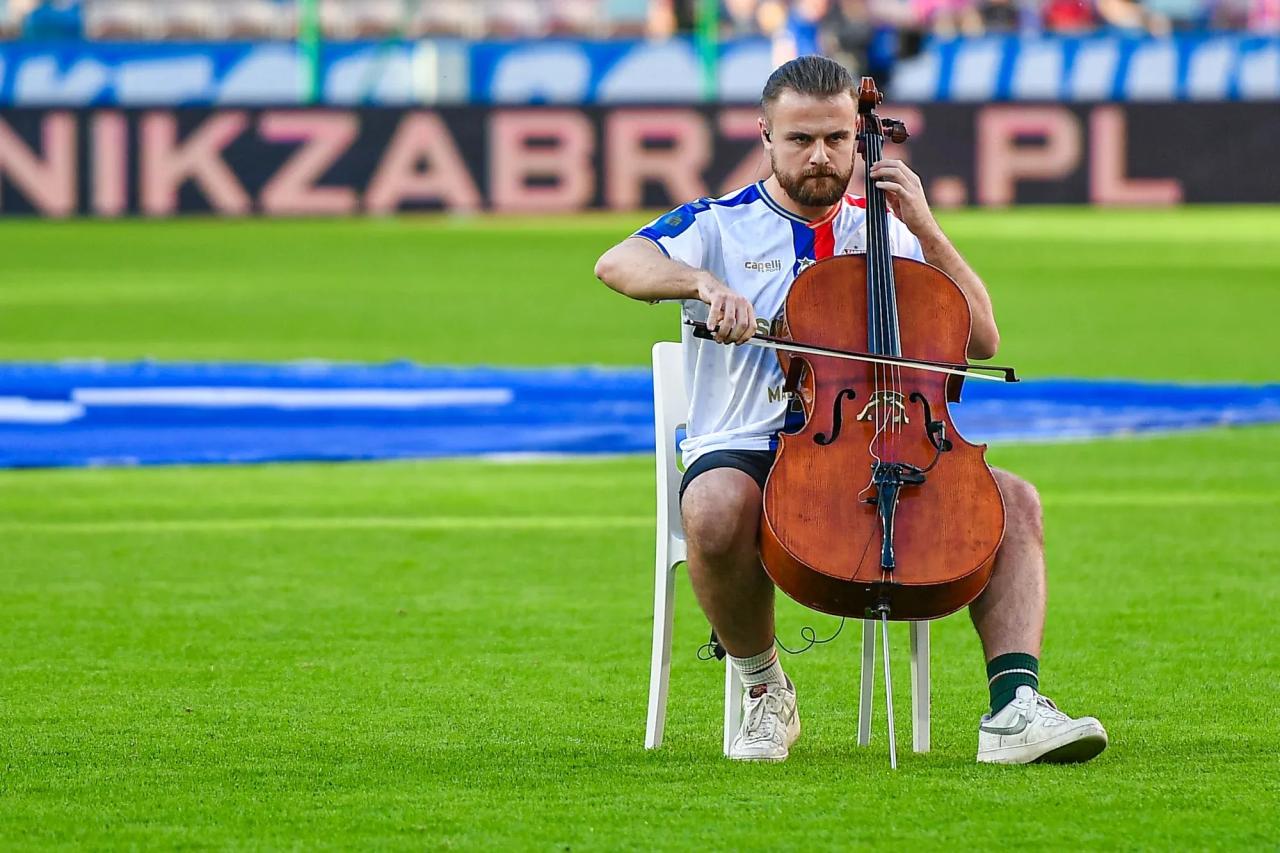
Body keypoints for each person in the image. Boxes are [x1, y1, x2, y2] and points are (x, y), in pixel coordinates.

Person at [595, 55, 1109, 765]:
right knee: (711, 505)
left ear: (857, 135)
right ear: (765, 135)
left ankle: (1014, 708)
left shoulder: (887, 233)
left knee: (1015, 502)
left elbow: (982, 337)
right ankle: (763, 687)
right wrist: (703, 284)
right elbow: (617, 263)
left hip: (871, 437)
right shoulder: (719, 224)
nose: (821, 156)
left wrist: (925, 226)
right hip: (745, 441)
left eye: (837, 138)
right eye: (800, 139)